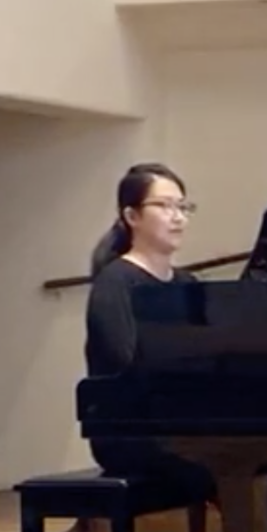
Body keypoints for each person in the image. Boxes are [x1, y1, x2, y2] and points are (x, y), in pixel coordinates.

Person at [83, 162, 219, 512]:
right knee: (232, 466)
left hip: (181, 423)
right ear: (132, 216)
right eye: (164, 206)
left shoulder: (187, 283)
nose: (178, 217)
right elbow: (124, 362)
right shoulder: (115, 284)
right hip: (131, 432)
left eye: (183, 207)